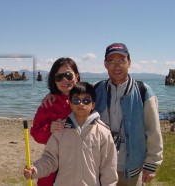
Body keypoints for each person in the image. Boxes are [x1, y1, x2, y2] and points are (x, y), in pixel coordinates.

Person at [42, 43, 163, 186]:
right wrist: (54, 94)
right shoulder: (97, 89)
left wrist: (151, 164)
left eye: (121, 61)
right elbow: (76, 95)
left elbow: (153, 130)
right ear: (105, 64)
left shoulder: (143, 91)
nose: (116, 66)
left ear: (129, 63)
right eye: (111, 61)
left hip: (131, 168)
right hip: (100, 166)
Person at [24, 82, 118, 186]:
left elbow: (109, 168)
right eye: (76, 100)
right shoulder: (60, 131)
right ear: (71, 104)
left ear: (93, 105)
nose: (81, 104)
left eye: (86, 100)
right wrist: (35, 169)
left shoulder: (103, 133)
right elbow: (49, 159)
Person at [30, 57, 80, 186]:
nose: (64, 80)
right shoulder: (48, 104)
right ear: (54, 80)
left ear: (77, 76)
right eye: (59, 77)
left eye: (68, 75)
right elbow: (36, 134)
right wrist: (49, 130)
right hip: (53, 168)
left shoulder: (87, 101)